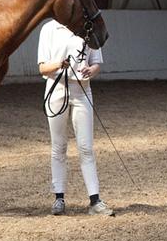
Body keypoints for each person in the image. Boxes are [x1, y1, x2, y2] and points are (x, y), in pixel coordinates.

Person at [37, 18, 115, 217]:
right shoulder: (49, 29)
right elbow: (43, 68)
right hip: (57, 88)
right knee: (58, 146)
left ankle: (95, 200)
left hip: (82, 90)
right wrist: (59, 64)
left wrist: (92, 70)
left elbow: (96, 62)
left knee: (86, 147)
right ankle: (59, 198)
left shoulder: (87, 28)